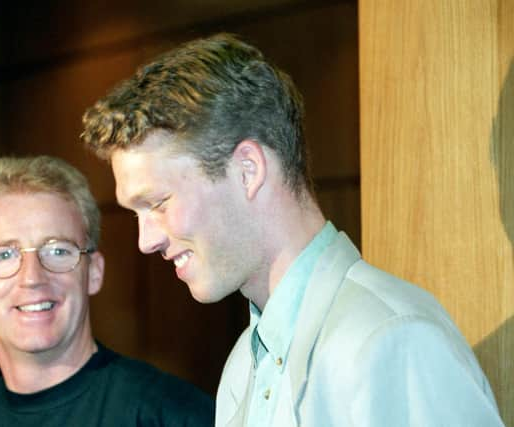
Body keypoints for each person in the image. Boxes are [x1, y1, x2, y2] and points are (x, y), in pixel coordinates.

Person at [80, 33, 505, 426]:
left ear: (248, 169)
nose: (146, 239)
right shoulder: (242, 369)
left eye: (157, 203)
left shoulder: (392, 339)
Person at [0, 156, 214, 426]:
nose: (32, 277)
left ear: (94, 272)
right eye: (4, 255)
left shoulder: (172, 415)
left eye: (57, 251)